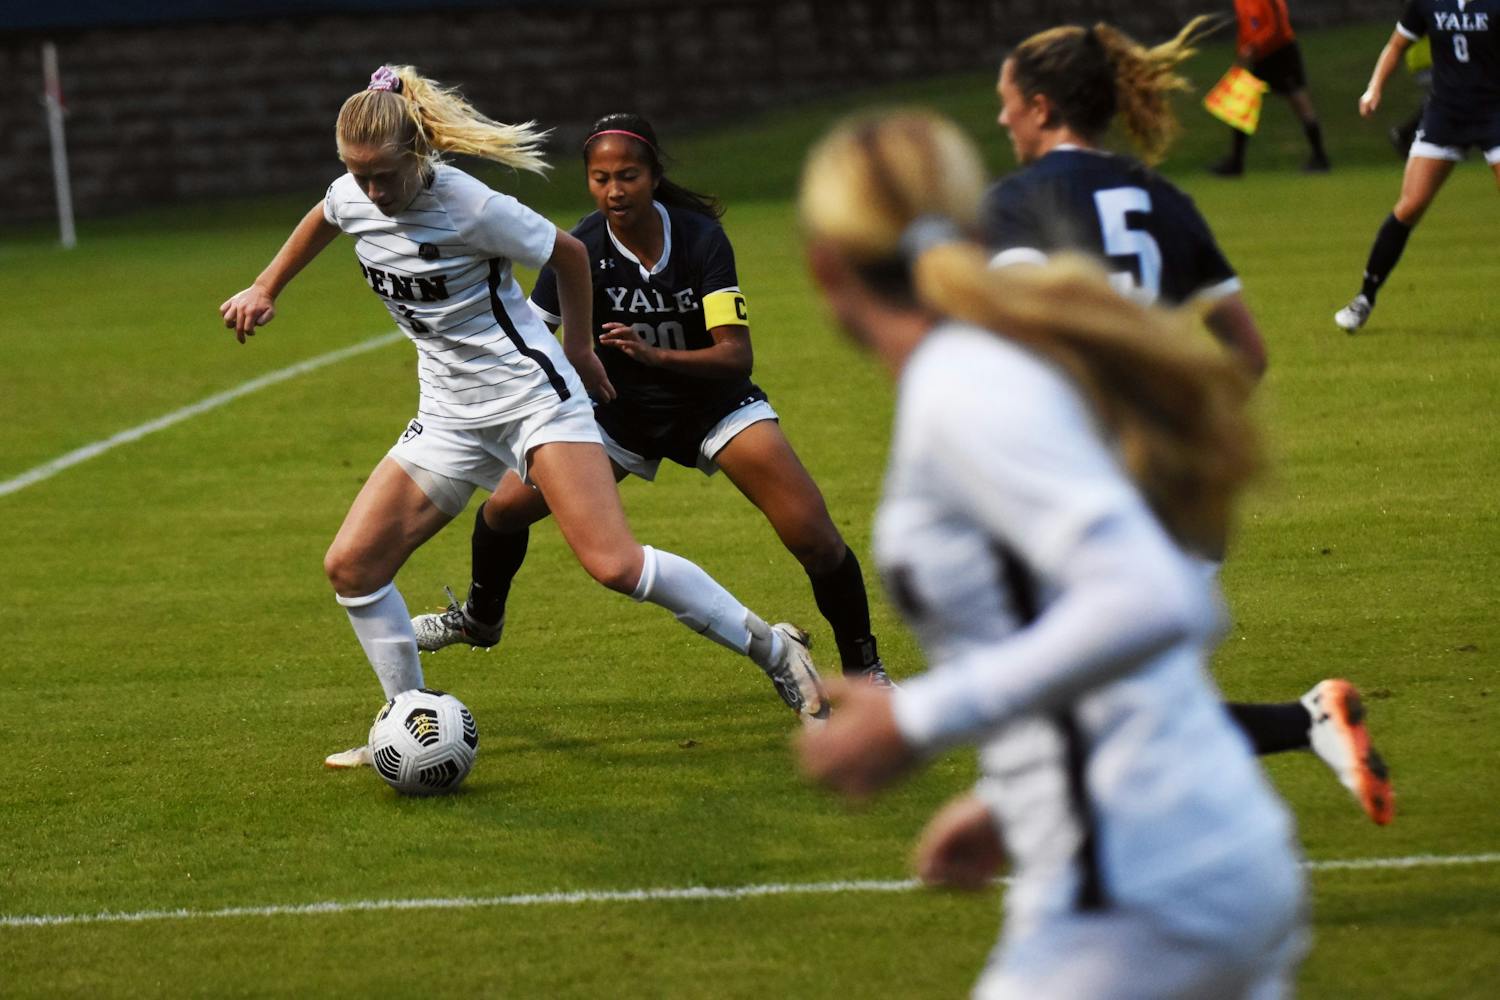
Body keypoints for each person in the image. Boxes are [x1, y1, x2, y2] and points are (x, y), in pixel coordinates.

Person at [797, 109, 1306, 998]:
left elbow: (1154, 597)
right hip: (1185, 853)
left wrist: (917, 719)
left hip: (1138, 888)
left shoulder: (965, 386)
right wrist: (1009, 798)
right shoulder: (987, 372)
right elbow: (1076, 620)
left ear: (826, 267)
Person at [218, 67, 831, 769]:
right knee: (352, 567)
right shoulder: (352, 195)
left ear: (418, 155)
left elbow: (570, 253)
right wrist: (265, 286)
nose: (374, 192)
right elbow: (326, 215)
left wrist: (579, 348)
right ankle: (410, 719)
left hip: (533, 401)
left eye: (385, 176)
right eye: (360, 176)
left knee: (614, 564)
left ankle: (776, 651)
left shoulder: (469, 205)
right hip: (449, 414)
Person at [982, 20, 1393, 824]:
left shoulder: (1017, 205)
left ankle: (1276, 760)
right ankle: (1308, 725)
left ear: (1041, 107)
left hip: (1093, 499)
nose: (1001, 119)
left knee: (1094, 715)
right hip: (1186, 493)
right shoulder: (1163, 199)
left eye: (1007, 102)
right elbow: (1247, 353)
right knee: (1125, 714)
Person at [411, 113, 894, 687]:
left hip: (715, 406)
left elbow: (736, 356)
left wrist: (654, 356)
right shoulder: (579, 247)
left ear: (654, 176)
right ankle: (481, 618)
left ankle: (866, 673)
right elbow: (533, 338)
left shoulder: (699, 238)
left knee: (814, 536)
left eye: (629, 176)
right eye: (601, 178)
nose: (614, 191)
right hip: (618, 414)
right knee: (503, 510)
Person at [1334, 1, 1500, 333]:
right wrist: (1374, 88)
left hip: (1494, 112)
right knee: (1410, 205)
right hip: (1445, 115)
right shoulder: (1429, 2)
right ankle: (1364, 298)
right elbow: (1397, 45)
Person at [1211, 0, 1332, 175]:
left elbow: (1277, 25)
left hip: (1281, 52)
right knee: (1244, 104)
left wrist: (1255, 44)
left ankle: (1320, 157)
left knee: (1299, 101)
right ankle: (1236, 162)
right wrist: (1243, 50)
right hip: (1259, 56)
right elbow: (1247, 26)